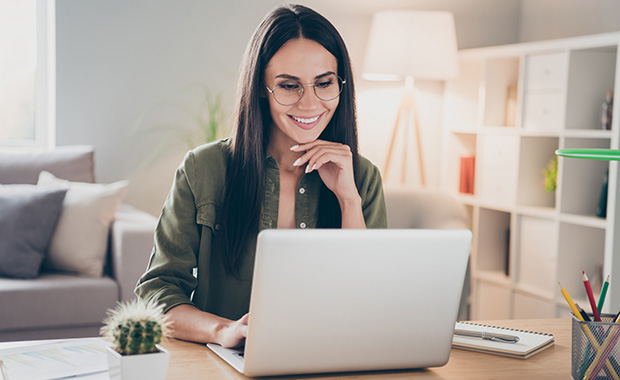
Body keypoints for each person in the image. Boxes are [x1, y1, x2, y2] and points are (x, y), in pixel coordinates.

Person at [135, 3, 387, 349]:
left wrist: (348, 200)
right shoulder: (203, 169)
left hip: (330, 360)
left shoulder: (362, 177)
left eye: (324, 83)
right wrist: (223, 331)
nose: (310, 104)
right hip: (224, 366)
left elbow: (370, 302)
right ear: (259, 89)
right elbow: (157, 292)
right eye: (288, 86)